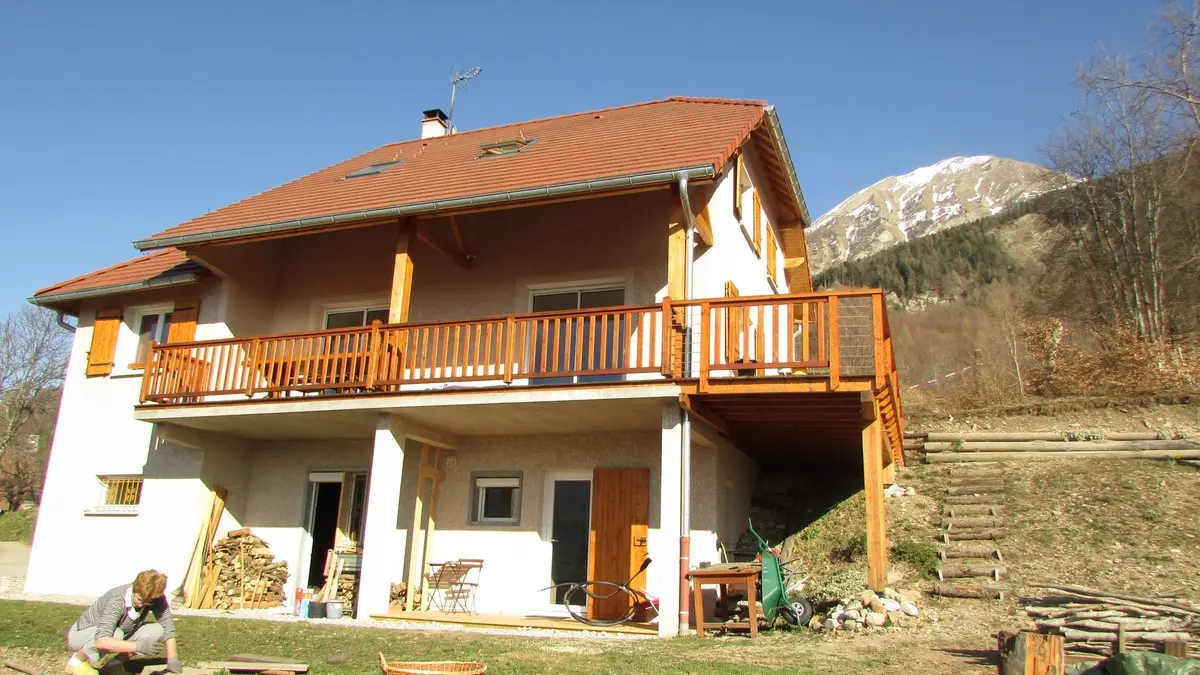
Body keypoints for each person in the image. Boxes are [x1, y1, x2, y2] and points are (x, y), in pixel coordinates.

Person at [64, 570, 182, 675]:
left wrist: (172, 658)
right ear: (134, 588)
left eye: (147, 603)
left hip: (116, 634)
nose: (141, 605)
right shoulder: (117, 600)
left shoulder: (154, 597)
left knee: (157, 631)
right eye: (139, 599)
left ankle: (113, 667)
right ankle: (76, 663)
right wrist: (138, 646)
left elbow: (168, 626)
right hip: (82, 636)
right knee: (116, 634)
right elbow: (101, 640)